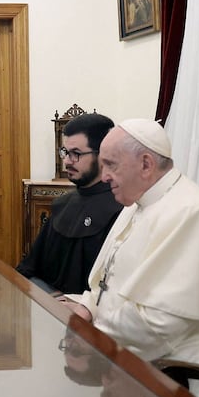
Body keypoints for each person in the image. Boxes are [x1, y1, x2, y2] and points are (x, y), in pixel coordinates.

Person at [63, 118, 199, 397]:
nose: (104, 177)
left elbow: (161, 321)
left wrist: (94, 336)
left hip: (181, 375)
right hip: (128, 359)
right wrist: (86, 309)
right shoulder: (137, 204)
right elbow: (106, 281)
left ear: (145, 164)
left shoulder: (195, 213)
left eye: (111, 165)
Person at [16, 113, 122, 294]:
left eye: (76, 154)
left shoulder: (120, 209)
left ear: (103, 155)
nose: (66, 161)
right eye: (65, 152)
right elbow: (30, 269)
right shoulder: (62, 205)